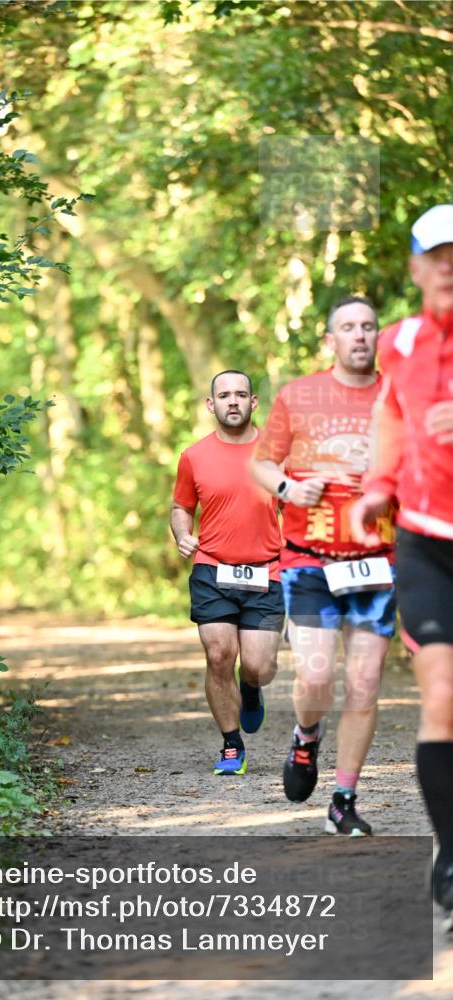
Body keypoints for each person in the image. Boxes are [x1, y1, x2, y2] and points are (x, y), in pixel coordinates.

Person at [251, 296, 396, 835]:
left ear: (377, 337)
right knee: (316, 677)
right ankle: (306, 736)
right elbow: (262, 462)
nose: (360, 335)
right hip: (309, 558)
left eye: (368, 327)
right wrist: (291, 487)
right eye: (348, 328)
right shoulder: (300, 394)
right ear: (330, 340)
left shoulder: (396, 396)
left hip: (376, 558)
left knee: (364, 681)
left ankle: (343, 798)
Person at [350, 204, 453, 925]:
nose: (449, 266)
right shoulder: (399, 344)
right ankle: (451, 855)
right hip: (424, 540)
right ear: (415, 267)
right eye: (436, 254)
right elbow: (388, 416)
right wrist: (377, 488)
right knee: (441, 690)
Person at [170, 370, 284, 776]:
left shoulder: (278, 453)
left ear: (253, 402)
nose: (232, 401)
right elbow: (181, 506)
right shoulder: (193, 456)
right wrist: (183, 534)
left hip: (267, 572)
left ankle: (250, 688)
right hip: (213, 569)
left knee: (259, 666)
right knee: (219, 654)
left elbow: (301, 508)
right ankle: (231, 745)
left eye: (240, 394)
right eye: (224, 395)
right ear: (210, 404)